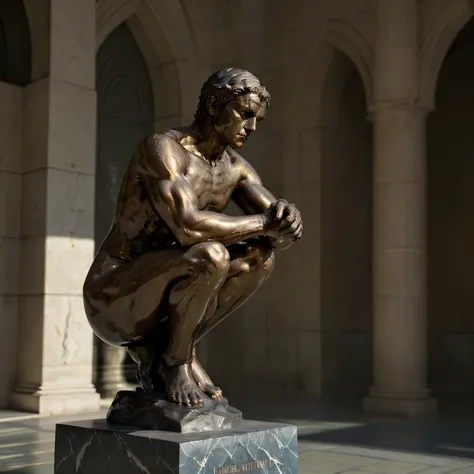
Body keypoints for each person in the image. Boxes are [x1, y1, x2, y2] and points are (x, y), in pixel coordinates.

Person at [83, 68, 303, 408]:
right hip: (114, 295)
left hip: (169, 285)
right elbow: (188, 227)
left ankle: (175, 352)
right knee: (210, 255)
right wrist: (265, 223)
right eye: (244, 113)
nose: (252, 126)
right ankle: (176, 361)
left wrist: (287, 216)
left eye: (257, 118)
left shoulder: (236, 168)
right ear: (214, 103)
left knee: (261, 256)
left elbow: (274, 226)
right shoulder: (163, 149)